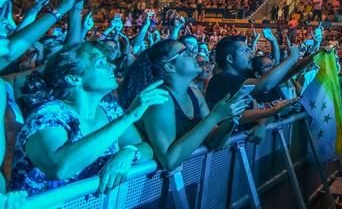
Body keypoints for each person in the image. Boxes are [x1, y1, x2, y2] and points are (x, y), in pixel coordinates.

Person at [12, 41, 166, 196]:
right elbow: (59, 168)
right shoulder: (49, 115)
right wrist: (128, 117)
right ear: (74, 78)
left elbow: (145, 148)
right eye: (100, 63)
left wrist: (129, 152)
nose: (112, 66)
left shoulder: (108, 109)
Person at [118, 40, 249, 170]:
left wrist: (232, 117)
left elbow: (214, 140)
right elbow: (169, 160)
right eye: (185, 53)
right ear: (170, 66)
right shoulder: (160, 99)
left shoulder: (195, 94)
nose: (193, 54)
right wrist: (214, 116)